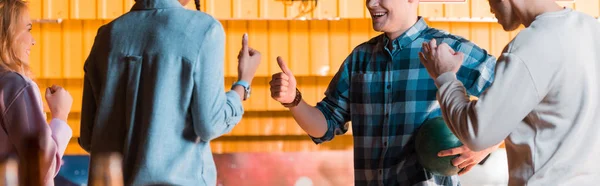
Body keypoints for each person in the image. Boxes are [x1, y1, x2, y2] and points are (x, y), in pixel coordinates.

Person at [269, 0, 500, 185]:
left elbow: (521, 97)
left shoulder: (450, 50)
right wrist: (293, 100)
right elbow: (326, 125)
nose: (371, 3)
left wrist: (485, 145)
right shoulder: (359, 59)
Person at [78, 0, 262, 185]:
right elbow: (210, 124)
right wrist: (243, 83)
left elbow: (89, 138)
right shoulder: (204, 29)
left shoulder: (106, 36)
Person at [419, 0, 600, 185]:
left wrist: (445, 76)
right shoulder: (592, 27)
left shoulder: (531, 45)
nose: (490, 8)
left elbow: (477, 134)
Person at [0, 0, 73, 185]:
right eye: (28, 28)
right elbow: (41, 170)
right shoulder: (16, 85)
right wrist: (60, 116)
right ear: (7, 33)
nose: (33, 41)